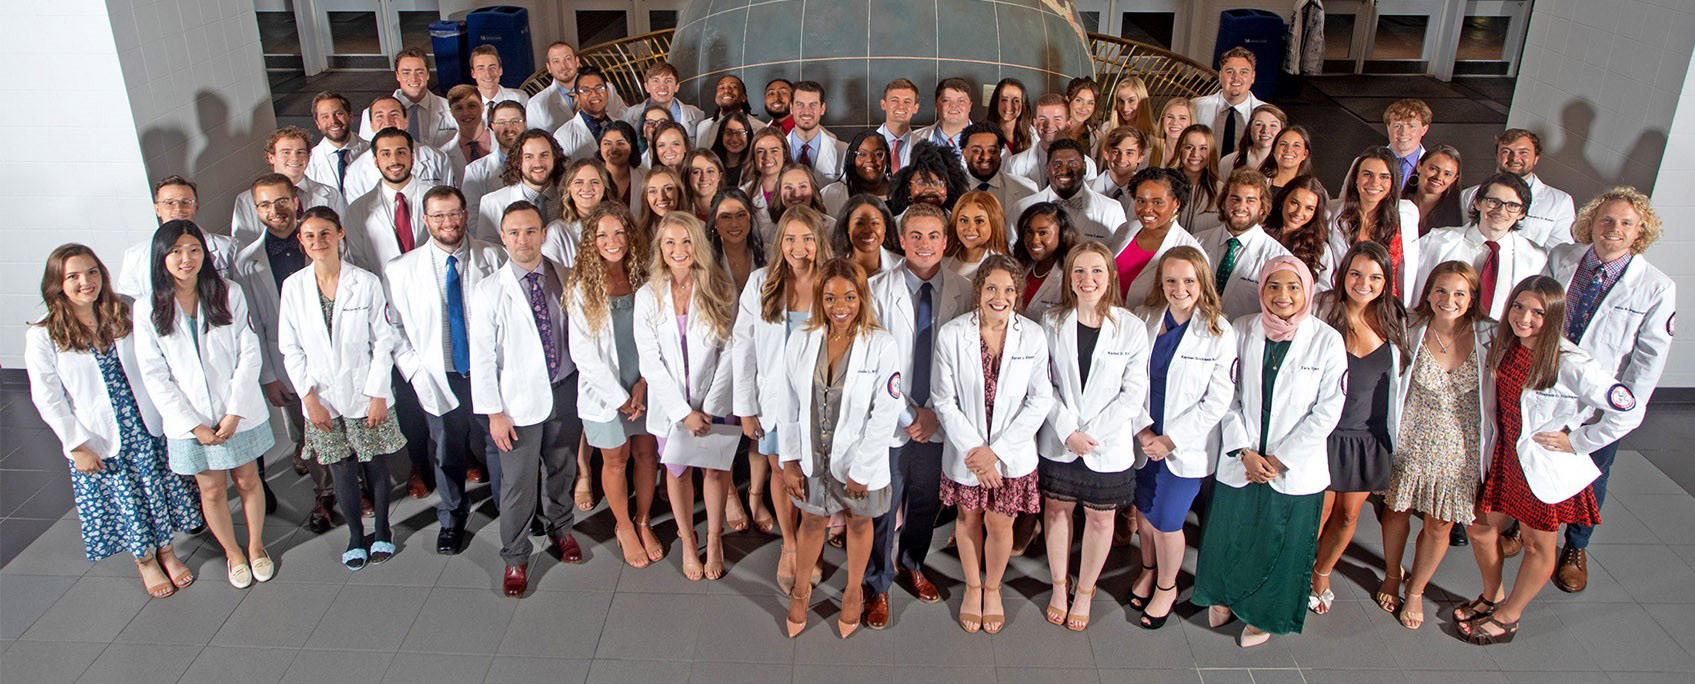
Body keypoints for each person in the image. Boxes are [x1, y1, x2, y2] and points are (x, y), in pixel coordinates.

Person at [1457, 276, 1640, 643]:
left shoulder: (1569, 361)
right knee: (1479, 527)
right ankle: (1493, 595)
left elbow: (1629, 409)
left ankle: (1509, 617)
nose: (1524, 317)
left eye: (1537, 312)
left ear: (1553, 316)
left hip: (1542, 466)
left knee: (1537, 544)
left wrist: (1581, 440)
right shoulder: (1507, 345)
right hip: (1506, 456)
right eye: (1518, 307)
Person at [26, 244, 203, 597]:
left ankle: (167, 552)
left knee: (159, 490)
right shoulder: (43, 335)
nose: (85, 282)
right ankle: (145, 561)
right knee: (127, 499)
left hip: (145, 424)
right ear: (57, 284)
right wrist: (75, 444)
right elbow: (47, 397)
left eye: (92, 272)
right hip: (100, 436)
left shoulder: (124, 312)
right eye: (73, 276)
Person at [1195, 255, 1346, 647]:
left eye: (1293, 287)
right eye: (1274, 286)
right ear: (1261, 290)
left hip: (1293, 466)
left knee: (1280, 543)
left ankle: (1264, 614)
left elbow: (1327, 410)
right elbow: (1226, 396)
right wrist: (1244, 450)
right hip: (1242, 458)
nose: (1283, 295)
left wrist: (1279, 460)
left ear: (1307, 292)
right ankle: (1225, 598)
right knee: (1233, 533)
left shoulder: (1327, 341)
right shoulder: (1242, 330)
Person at [132, 221, 277, 589]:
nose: (186, 258)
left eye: (194, 249)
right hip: (191, 420)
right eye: (177, 251)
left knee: (247, 480)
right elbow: (154, 375)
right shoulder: (148, 308)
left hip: (236, 413)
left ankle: (257, 546)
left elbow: (249, 353)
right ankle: (233, 553)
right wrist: (194, 425)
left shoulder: (228, 292)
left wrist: (234, 413)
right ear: (161, 257)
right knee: (211, 490)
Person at [1545, 187, 1675, 592]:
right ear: (1591, 223)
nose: (1613, 229)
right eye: (1606, 220)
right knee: (1535, 456)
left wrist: (1620, 416)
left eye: (1625, 223)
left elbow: (1646, 363)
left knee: (1592, 472)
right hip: (1549, 383)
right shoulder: (1563, 258)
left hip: (1599, 403)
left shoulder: (1655, 287)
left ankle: (1576, 545)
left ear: (1640, 231)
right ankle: (1523, 524)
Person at [777, 257, 905, 639]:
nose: (840, 307)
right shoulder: (802, 337)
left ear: (862, 298)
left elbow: (886, 412)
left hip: (859, 462)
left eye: (849, 297)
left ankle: (852, 591)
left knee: (859, 521)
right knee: (812, 520)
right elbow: (787, 400)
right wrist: (788, 459)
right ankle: (801, 590)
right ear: (820, 298)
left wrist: (863, 470)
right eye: (831, 298)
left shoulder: (881, 345)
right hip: (813, 454)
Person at [931, 254, 1055, 634]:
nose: (999, 297)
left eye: (1008, 290)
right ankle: (972, 588)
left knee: (1001, 524)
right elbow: (943, 400)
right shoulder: (952, 334)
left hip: (1010, 455)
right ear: (978, 291)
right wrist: (977, 454)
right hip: (968, 455)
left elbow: (1040, 399)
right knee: (968, 521)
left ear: (1017, 295)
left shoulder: (1032, 336)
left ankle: (993, 588)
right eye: (991, 288)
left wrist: (995, 453)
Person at [864, 203, 974, 628]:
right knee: (885, 504)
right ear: (901, 240)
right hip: (894, 419)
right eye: (915, 236)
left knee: (926, 500)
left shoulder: (964, 291)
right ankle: (878, 582)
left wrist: (935, 416)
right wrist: (910, 413)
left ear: (946, 242)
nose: (924, 244)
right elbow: (870, 365)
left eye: (933, 236)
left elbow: (966, 364)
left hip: (940, 419)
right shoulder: (875, 290)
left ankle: (911, 563)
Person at [277, 207, 405, 570]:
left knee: (376, 465)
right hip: (321, 399)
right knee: (342, 469)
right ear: (301, 241)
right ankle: (354, 535)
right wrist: (308, 398)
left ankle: (382, 530)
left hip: (366, 394)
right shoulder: (294, 288)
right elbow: (291, 348)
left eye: (325, 233)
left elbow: (383, 340)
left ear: (340, 234)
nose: (319, 241)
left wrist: (378, 393)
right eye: (310, 236)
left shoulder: (364, 282)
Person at [472, 201, 585, 597]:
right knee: (518, 483)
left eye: (531, 231)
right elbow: (482, 359)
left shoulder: (564, 275)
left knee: (563, 467)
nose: (523, 239)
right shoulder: (488, 291)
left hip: (566, 387)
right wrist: (494, 414)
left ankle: (561, 529)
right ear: (503, 237)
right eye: (515, 232)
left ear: (543, 234)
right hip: (516, 403)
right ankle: (516, 556)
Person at [1038, 241, 1151, 631]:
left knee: (1101, 521)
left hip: (1107, 443)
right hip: (1060, 439)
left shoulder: (1131, 327)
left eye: (1097, 271)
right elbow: (1043, 384)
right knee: (1056, 512)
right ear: (1069, 278)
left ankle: (1084, 591)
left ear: (1111, 277)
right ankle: (1058, 585)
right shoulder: (1051, 322)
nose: (1088, 280)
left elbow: (1133, 393)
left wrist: (1091, 433)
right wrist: (1068, 431)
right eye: (1080, 272)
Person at [387, 186, 506, 555]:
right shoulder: (401, 269)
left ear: (466, 214)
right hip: (440, 374)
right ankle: (452, 515)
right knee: (446, 449)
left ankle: (510, 510)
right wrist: (416, 372)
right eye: (438, 216)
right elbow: (394, 329)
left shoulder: (494, 256)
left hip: (488, 372)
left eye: (454, 213)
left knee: (498, 445)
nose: (447, 222)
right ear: (425, 220)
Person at [1378, 260, 1490, 628]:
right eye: (1441, 290)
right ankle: (1393, 574)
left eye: (1460, 293)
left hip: (1461, 446)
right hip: (1412, 435)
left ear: (1472, 298)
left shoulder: (1488, 335)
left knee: (1440, 524)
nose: (1449, 299)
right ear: (1428, 291)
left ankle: (1416, 590)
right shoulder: (1410, 327)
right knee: (1395, 511)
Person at [1130, 246, 1237, 629]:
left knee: (1167, 521)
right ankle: (1147, 568)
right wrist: (1143, 430)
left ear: (1203, 282)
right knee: (1143, 512)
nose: (1180, 288)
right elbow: (1129, 380)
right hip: (1142, 436)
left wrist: (1169, 441)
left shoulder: (1219, 332)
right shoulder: (1144, 319)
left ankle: (1166, 586)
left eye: (1189, 280)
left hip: (1183, 447)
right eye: (1171, 280)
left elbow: (1218, 400)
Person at [735, 205, 835, 593]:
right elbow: (743, 348)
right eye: (791, 239)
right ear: (780, 242)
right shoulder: (761, 283)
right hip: (775, 401)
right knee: (781, 472)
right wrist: (746, 407)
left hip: (820, 402)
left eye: (807, 238)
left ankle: (813, 542)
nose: (799, 247)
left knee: (816, 476)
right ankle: (790, 546)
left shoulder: (833, 280)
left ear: (819, 242)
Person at [634, 211, 737, 581]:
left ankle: (714, 536)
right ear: (659, 248)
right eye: (669, 242)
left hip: (712, 405)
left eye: (686, 241)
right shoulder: (647, 295)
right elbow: (650, 360)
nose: (678, 250)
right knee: (676, 472)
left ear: (699, 245)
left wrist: (707, 408)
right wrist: (682, 412)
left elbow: (731, 350)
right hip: (672, 408)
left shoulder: (720, 287)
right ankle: (689, 541)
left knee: (713, 471)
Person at [1308, 242, 1410, 615]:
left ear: (1386, 281)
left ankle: (1322, 572)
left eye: (1374, 277)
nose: (1363, 283)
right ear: (1342, 274)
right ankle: (1298, 567)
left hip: (1367, 435)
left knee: (1350, 514)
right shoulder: (1321, 308)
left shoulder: (1395, 319)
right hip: (1324, 432)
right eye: (1355, 273)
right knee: (1319, 510)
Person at [231, 176, 335, 530]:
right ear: (255, 209)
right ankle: (325, 494)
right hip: (285, 360)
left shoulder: (321, 242)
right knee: (309, 430)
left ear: (295, 200)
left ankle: (359, 486)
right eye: (264, 205)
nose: (274, 211)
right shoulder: (247, 261)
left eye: (281, 201)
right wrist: (269, 376)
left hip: (335, 350)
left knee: (345, 421)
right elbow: (254, 324)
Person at [569, 203, 665, 568]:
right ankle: (623, 526)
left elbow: (656, 336)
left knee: (645, 454)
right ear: (591, 241)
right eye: (603, 235)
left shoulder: (645, 277)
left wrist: (643, 383)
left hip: (643, 384)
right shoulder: (581, 287)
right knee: (615, 458)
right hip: (607, 392)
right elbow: (583, 354)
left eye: (620, 233)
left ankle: (642, 519)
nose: (613, 241)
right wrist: (621, 398)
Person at [1413, 173, 1547, 321]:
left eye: (1512, 205)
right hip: (1436, 332)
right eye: (1493, 201)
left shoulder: (1535, 258)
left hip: (1494, 340)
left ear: (1522, 213)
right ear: (1477, 203)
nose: (1501, 211)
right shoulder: (1436, 241)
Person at [115, 177, 240, 301]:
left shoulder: (228, 247)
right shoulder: (135, 256)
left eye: (186, 202)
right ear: (157, 209)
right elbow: (131, 306)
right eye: (169, 203)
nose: (178, 209)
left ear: (196, 206)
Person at [1194, 168, 1293, 320]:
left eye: (1250, 200)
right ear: (1223, 203)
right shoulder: (1196, 243)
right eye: (1235, 198)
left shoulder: (1279, 258)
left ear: (1262, 208)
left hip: (1241, 337)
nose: (1241, 206)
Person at [1328, 147, 1421, 306]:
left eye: (1384, 176)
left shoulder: (1408, 213)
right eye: (1367, 174)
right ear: (1355, 178)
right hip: (1349, 306)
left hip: (1392, 308)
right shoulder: (1333, 216)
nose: (1375, 183)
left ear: (1393, 182)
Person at [1458, 129, 1577, 250]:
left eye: (1523, 152)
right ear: (1497, 156)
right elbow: (1463, 239)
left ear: (1536, 158)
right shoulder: (1470, 195)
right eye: (1506, 151)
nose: (1514, 158)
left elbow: (1559, 252)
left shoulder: (1560, 202)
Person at [343, 128, 437, 274]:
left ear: (412, 157)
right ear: (375, 160)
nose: (394, 160)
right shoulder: (357, 210)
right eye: (386, 154)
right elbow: (358, 264)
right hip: (385, 293)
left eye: (401, 152)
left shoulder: (438, 199)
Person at [231, 127, 345, 246]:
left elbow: (340, 239)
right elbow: (245, 246)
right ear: (271, 157)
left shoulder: (330, 194)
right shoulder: (246, 200)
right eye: (286, 152)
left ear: (309, 155)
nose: (295, 158)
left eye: (300, 152)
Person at [1112, 167, 1203, 308]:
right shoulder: (1125, 230)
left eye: (1157, 202)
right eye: (1141, 201)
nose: (1147, 209)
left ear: (1176, 203)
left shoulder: (1191, 250)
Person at [342, 99, 457, 201]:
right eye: (379, 116)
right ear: (371, 124)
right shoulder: (356, 170)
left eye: (394, 114)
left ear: (406, 120)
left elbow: (450, 201)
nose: (387, 121)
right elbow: (355, 216)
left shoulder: (437, 158)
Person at [1013, 139, 1124, 244]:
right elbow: (1015, 255)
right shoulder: (1022, 208)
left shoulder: (1112, 210)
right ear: (1047, 168)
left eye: (1072, 164)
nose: (1064, 170)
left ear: (1084, 167)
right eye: (1057, 164)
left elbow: (1117, 259)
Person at [357, 48, 456, 149]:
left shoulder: (451, 108)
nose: (413, 78)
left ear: (428, 74)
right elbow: (367, 151)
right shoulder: (372, 113)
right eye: (406, 72)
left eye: (419, 72)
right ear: (397, 75)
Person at [476, 130, 564, 243]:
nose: (537, 163)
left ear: (555, 159)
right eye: (529, 157)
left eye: (544, 155)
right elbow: (488, 253)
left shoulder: (571, 198)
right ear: (518, 162)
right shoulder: (492, 203)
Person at [527, 41, 628, 133]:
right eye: (556, 61)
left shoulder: (607, 89)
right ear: (549, 68)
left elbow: (624, 117)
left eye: (568, 59)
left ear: (577, 62)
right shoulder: (536, 104)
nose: (563, 66)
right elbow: (536, 140)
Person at [1005, 94, 1099, 188]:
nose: (1049, 125)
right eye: (1043, 119)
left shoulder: (1088, 165)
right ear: (1035, 123)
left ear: (1068, 124)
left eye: (1057, 119)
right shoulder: (1015, 164)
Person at [1190, 47, 1266, 158]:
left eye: (1243, 72)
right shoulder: (1196, 107)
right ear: (1220, 76)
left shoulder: (1266, 114)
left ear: (1253, 77)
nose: (1236, 78)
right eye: (1230, 72)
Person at [960, 123, 1039, 229]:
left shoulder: (1027, 190)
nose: (985, 156)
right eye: (976, 150)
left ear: (1000, 153)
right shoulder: (950, 191)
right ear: (964, 153)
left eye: (992, 150)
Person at [545, 158, 617, 268]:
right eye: (579, 182)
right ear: (568, 188)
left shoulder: (622, 227)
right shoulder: (556, 233)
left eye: (594, 182)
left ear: (605, 188)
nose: (587, 188)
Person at [1011, 202, 1077, 320]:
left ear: (1062, 234)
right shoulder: (1021, 266)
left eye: (1043, 233)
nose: (1034, 240)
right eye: (1029, 232)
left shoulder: (1071, 276)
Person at [1265, 175, 1332, 288]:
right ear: (1283, 200)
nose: (1299, 213)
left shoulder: (1320, 250)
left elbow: (1321, 292)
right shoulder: (1259, 233)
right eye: (1294, 203)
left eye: (1309, 208)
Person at [462, 101, 528, 214]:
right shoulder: (475, 171)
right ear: (492, 126)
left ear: (525, 124)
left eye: (515, 121)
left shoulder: (540, 164)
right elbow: (472, 218)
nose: (509, 128)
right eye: (501, 122)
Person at [306, 92, 369, 202]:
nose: (333, 121)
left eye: (338, 114)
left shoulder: (371, 150)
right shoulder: (309, 161)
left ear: (350, 116)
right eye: (325, 116)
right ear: (318, 123)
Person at [889, 141, 969, 221]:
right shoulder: (893, 227)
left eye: (938, 183)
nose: (930, 189)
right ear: (909, 186)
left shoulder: (959, 225)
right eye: (922, 183)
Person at [784, 81, 848, 183]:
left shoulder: (843, 151)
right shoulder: (776, 151)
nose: (806, 111)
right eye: (800, 104)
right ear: (791, 108)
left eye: (813, 104)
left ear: (822, 109)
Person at [552, 66, 617, 162]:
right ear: (577, 97)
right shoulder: (563, 136)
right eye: (586, 90)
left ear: (607, 92)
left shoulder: (619, 123)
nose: (594, 94)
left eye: (599, 88)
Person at [708, 187, 766, 294]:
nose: (734, 224)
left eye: (741, 215)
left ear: (750, 218)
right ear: (714, 222)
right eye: (725, 216)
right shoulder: (705, 259)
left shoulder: (769, 254)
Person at [821, 129, 892, 215]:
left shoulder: (902, 191)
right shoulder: (832, 194)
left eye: (878, 154)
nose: (870, 160)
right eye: (862, 154)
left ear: (887, 157)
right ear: (852, 158)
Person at [833, 194, 901, 277]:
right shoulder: (832, 270)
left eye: (875, 223)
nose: (868, 230)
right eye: (859, 223)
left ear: (885, 227)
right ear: (847, 227)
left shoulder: (903, 267)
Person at [944, 191, 1008, 278]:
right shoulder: (941, 258)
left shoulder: (1002, 268)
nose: (970, 228)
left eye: (979, 221)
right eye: (964, 220)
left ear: (994, 224)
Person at [742, 126, 791, 239]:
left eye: (774, 151)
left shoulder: (797, 191)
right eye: (760, 151)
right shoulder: (743, 194)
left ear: (784, 154)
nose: (767, 157)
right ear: (753, 157)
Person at [911, 78, 975, 161]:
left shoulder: (989, 142)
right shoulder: (913, 139)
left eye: (961, 101)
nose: (954, 105)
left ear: (970, 106)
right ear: (936, 105)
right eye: (946, 100)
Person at [1173, 124, 1221, 232]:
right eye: (1189, 147)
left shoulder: (1221, 191)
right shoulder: (1163, 184)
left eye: (1203, 148)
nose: (1195, 154)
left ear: (1211, 153)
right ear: (1180, 150)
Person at [1408, 144, 1465, 236]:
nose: (1439, 177)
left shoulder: (1459, 214)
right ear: (1419, 166)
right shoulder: (1396, 203)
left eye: (1447, 174)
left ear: (1454, 179)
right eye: (1433, 169)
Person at [1382, 99, 1433, 193]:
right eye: (1397, 126)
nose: (1404, 133)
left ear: (1424, 130)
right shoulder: (1365, 161)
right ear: (1388, 128)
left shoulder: (1433, 168)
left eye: (1411, 126)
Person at [1218, 104, 1286, 173]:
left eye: (1273, 125)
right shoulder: (1227, 162)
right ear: (1250, 128)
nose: (1265, 130)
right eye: (1259, 124)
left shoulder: (1288, 163)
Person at [1090, 126, 1147, 207]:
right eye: (1116, 152)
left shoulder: (1148, 194)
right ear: (1106, 154)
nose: (1122, 159)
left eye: (1129, 153)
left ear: (1140, 157)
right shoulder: (1085, 190)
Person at [468, 45, 528, 120]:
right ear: (473, 74)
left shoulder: (519, 98)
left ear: (500, 70)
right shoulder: (464, 104)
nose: (488, 74)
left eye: (492, 67)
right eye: (480, 68)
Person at [596, 120, 644, 212]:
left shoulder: (644, 177)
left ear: (632, 146)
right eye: (607, 143)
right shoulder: (592, 176)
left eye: (620, 143)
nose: (613, 149)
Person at [443, 85, 491, 176]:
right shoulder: (443, 154)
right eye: (459, 108)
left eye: (471, 106)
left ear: (482, 107)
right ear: (452, 113)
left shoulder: (503, 145)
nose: (466, 113)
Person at [876, 78, 922, 170]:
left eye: (907, 101)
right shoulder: (863, 144)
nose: (901, 106)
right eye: (894, 100)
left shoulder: (925, 149)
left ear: (915, 108)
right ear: (883, 104)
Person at [1256, 126, 1313, 196]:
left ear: (1305, 154)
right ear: (1274, 150)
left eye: (1296, 145)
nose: (1288, 149)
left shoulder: (1311, 190)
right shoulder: (1257, 184)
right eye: (1283, 144)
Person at [696, 74, 753, 144]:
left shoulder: (758, 127)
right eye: (722, 87)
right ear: (716, 97)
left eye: (733, 87)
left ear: (743, 97)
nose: (726, 90)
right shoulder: (703, 127)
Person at [985, 78, 1033, 156]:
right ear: (996, 101)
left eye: (1016, 101)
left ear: (1023, 104)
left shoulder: (1032, 135)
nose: (1009, 106)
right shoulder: (982, 134)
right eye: (1004, 100)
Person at [1109, 76, 1157, 147]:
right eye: (1121, 101)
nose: (1125, 108)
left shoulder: (1155, 137)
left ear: (1142, 102)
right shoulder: (1107, 130)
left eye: (1131, 100)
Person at [1148, 98, 1193, 169]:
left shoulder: (1197, 157)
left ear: (1191, 122)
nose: (1175, 123)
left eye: (1182, 118)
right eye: (1170, 117)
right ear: (1163, 119)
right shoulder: (1148, 155)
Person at [711, 111, 756, 181]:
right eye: (729, 133)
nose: (734, 139)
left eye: (740, 133)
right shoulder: (711, 163)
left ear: (748, 135)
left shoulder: (756, 165)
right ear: (721, 135)